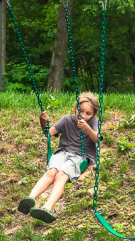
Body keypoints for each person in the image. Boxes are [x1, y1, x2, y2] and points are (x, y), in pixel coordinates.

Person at [19, 92, 100, 224]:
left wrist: (87, 128)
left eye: (88, 113)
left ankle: (47, 207)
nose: (84, 116)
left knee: (61, 175)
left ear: (93, 114)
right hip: (62, 152)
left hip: (81, 156)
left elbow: (97, 138)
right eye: (81, 111)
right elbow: (49, 133)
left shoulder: (94, 122)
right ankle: (30, 198)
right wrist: (43, 122)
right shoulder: (67, 119)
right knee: (51, 172)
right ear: (75, 109)